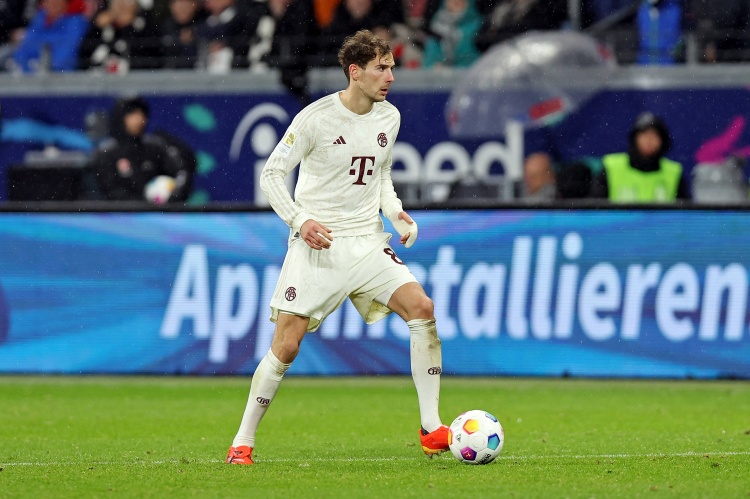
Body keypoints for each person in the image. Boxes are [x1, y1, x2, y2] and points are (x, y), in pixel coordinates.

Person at [226, 29, 449, 465]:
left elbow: (381, 174)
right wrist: (300, 220)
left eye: (391, 67)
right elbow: (272, 175)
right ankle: (242, 441)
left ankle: (431, 428)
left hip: (367, 241)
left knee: (421, 307)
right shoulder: (316, 118)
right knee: (286, 346)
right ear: (355, 72)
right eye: (381, 68)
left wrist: (396, 213)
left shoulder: (389, 117)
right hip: (319, 244)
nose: (391, 77)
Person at [91, 96, 193, 202]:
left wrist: (175, 193)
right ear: (121, 118)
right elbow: (108, 191)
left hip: (159, 211)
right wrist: (142, 202)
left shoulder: (155, 147)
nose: (139, 120)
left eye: (142, 114)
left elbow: (181, 170)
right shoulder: (106, 152)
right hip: (120, 211)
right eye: (132, 114)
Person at [592, 111, 690, 202]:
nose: (649, 140)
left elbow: (684, 211)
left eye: (654, 135)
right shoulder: (611, 167)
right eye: (644, 135)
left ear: (662, 141)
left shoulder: (674, 172)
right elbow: (595, 208)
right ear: (634, 138)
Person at [80, 0, 162, 72]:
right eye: (116, 2)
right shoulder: (100, 30)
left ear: (136, 7)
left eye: (126, 1)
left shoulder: (143, 30)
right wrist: (97, 27)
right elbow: (83, 58)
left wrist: (129, 26)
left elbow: (150, 60)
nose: (120, 5)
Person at [10, 0, 89, 73]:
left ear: (66, 3)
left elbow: (65, 58)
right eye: (48, 1)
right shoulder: (40, 19)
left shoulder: (76, 23)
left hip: (63, 78)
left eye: (57, 2)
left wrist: (42, 68)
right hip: (32, 75)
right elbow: (24, 50)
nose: (52, 3)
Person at [421, 0, 482, 68]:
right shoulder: (435, 27)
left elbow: (475, 62)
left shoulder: (478, 26)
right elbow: (429, 63)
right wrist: (435, 66)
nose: (457, 1)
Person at [159, 0, 207, 69]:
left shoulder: (204, 24)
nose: (182, 9)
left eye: (185, 5)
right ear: (171, 6)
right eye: (179, 5)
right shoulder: (164, 27)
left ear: (194, 5)